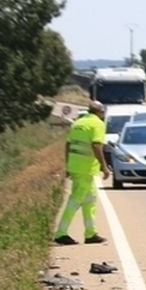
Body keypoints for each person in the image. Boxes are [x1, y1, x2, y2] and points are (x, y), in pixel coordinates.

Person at [53, 101, 110, 245]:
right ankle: (61, 233)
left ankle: (90, 233)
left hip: (76, 167)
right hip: (86, 168)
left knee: (90, 200)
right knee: (75, 200)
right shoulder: (97, 124)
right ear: (100, 112)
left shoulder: (77, 123)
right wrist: (104, 166)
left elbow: (68, 144)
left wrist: (68, 165)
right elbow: (96, 145)